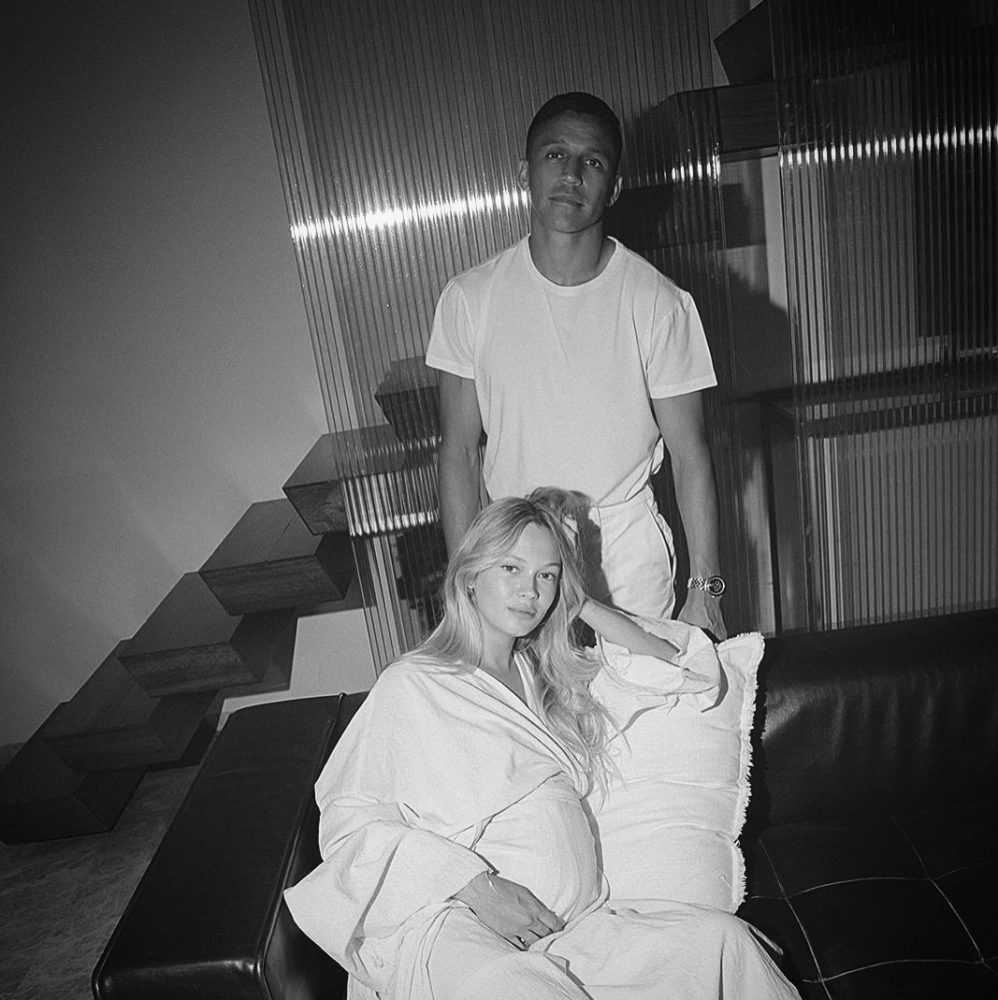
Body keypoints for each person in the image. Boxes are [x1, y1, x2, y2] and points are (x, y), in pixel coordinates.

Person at [284, 489, 800, 1000]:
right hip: (461, 925)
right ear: (470, 575)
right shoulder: (413, 684)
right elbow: (350, 823)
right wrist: (475, 886)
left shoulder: (547, 679)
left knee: (724, 945)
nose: (530, 591)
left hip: (572, 934)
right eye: (511, 568)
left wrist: (582, 602)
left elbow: (676, 666)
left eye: (546, 575)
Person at [426, 91, 727, 639]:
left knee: (643, 693)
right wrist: (465, 584)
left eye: (592, 161)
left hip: (627, 560)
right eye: (554, 155)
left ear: (614, 186)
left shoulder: (660, 302)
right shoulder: (470, 299)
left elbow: (690, 454)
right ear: (525, 172)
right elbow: (459, 453)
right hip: (516, 557)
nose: (571, 174)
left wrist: (705, 591)